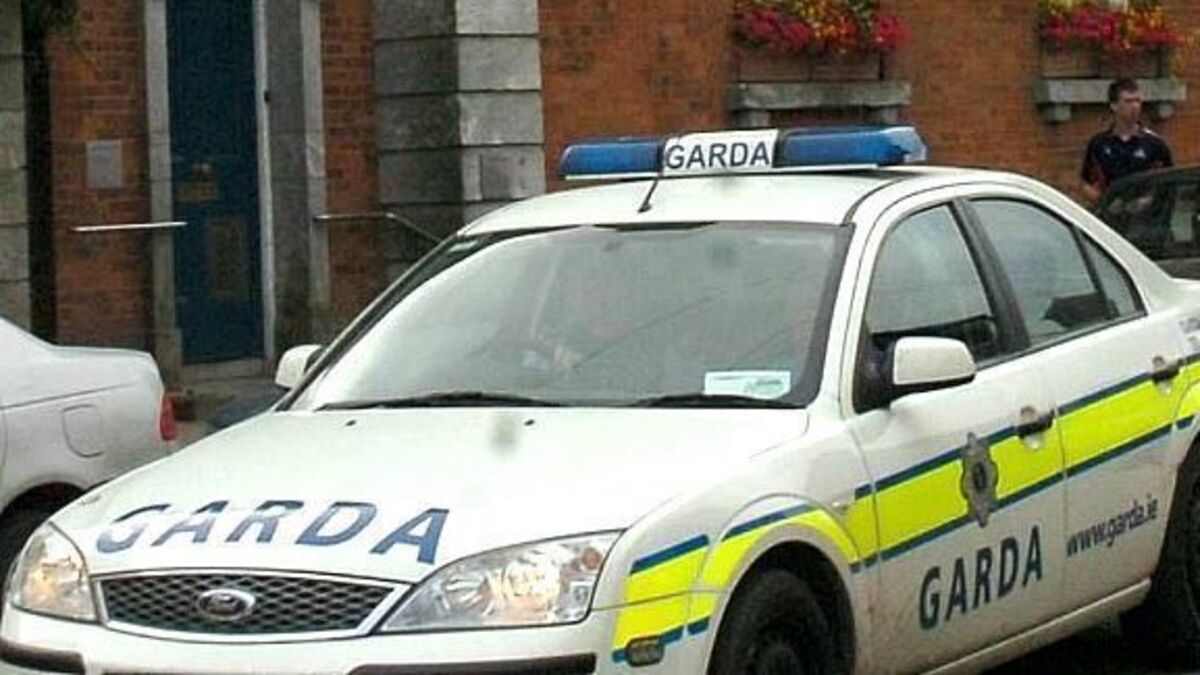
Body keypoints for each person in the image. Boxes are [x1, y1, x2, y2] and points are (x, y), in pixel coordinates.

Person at [1080, 77, 1173, 203]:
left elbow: (1168, 185)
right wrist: (1104, 203)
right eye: (1128, 101)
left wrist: (1147, 202)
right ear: (1114, 105)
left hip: (1144, 213)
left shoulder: (1155, 145)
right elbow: (1087, 183)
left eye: (1137, 101)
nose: (1134, 106)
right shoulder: (1099, 144)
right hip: (1110, 211)